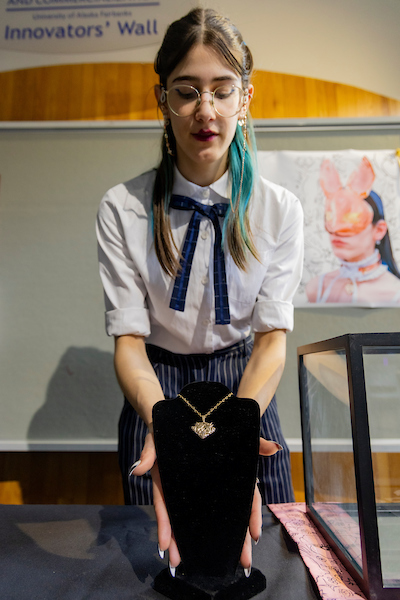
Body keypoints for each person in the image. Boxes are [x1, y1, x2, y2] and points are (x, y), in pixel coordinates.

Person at [96, 7, 303, 576]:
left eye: (221, 90)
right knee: (161, 561)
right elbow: (129, 342)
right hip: (155, 390)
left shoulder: (279, 209)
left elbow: (271, 341)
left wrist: (235, 433)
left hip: (247, 387)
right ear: (163, 99)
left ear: (246, 98)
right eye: (187, 92)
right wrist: (166, 425)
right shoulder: (123, 207)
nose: (205, 111)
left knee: (266, 557)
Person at [306, 157, 400, 304]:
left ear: (379, 230)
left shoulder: (395, 292)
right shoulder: (317, 288)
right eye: (331, 217)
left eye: (352, 218)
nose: (337, 232)